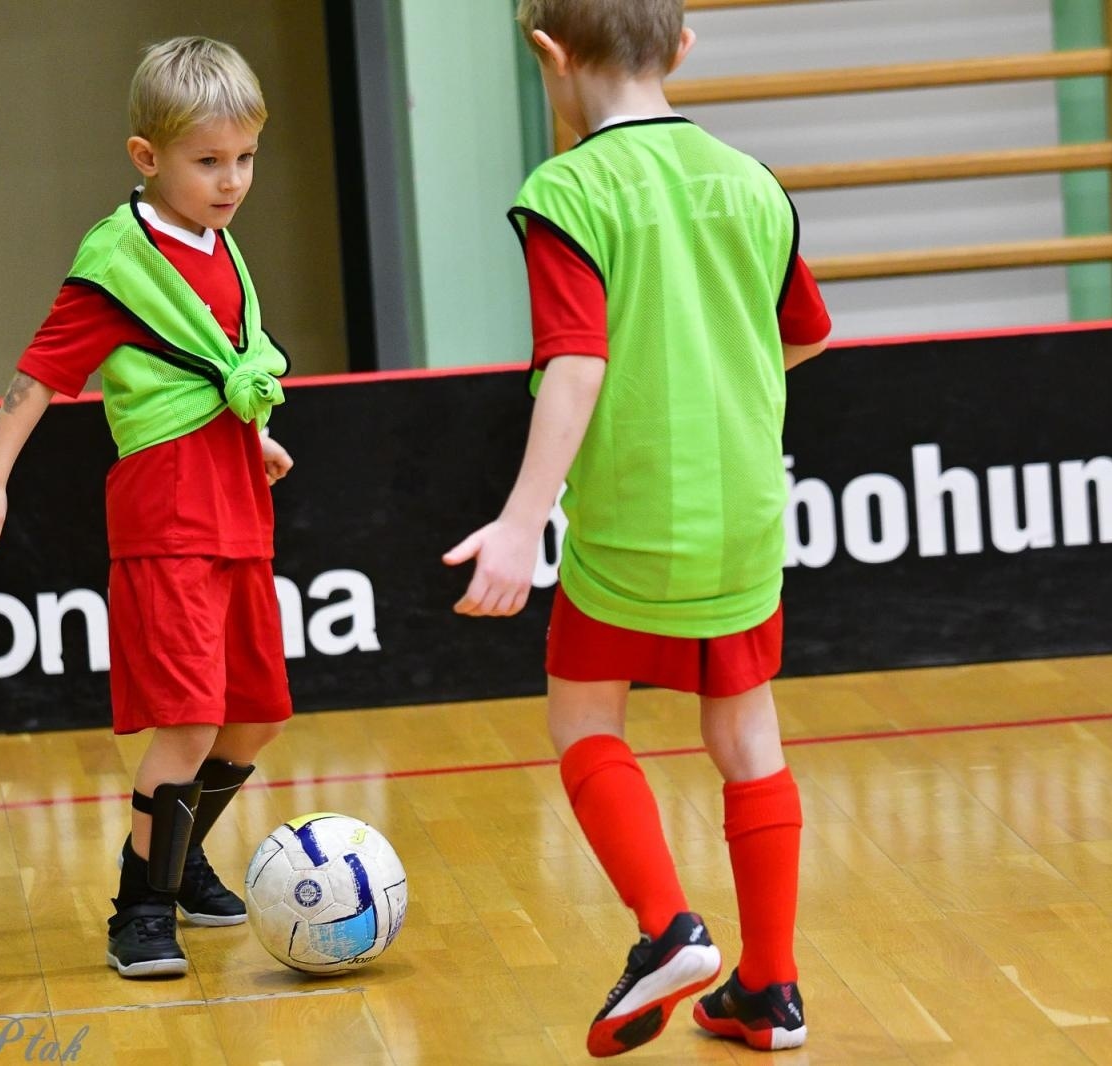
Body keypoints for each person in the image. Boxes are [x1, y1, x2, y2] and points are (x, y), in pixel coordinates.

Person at [444, 0, 831, 1054]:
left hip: (634, 523)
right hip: (748, 516)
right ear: (683, 49)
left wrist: (523, 522)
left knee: (584, 723)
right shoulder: (751, 182)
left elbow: (575, 360)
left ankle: (667, 927)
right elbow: (802, 335)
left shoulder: (567, 190)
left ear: (546, 54)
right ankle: (771, 989)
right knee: (747, 737)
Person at [0, 36, 295, 979]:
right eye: (209, 162)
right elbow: (40, 375)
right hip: (167, 517)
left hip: (235, 502)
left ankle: (177, 866)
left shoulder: (221, 243)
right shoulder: (116, 264)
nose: (232, 181)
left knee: (256, 713)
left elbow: (200, 374)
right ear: (147, 159)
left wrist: (247, 436)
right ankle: (138, 908)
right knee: (186, 719)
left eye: (246, 159)